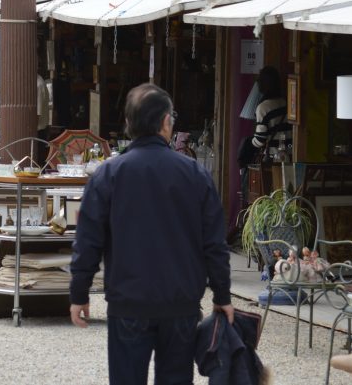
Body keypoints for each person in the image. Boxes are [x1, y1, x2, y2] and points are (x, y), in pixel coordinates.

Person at [70, 83, 232, 385]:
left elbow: (88, 241)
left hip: (128, 300)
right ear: (166, 122)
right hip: (180, 302)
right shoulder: (195, 175)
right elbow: (214, 243)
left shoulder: (108, 175)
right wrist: (222, 294)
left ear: (129, 125)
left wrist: (79, 293)